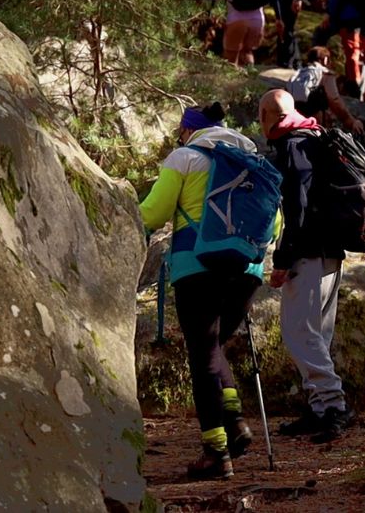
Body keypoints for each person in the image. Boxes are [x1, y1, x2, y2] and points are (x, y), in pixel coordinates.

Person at [138, 103, 265, 480]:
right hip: (247, 270)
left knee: (203, 356)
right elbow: (272, 222)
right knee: (213, 347)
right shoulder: (252, 161)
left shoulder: (185, 158)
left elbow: (153, 213)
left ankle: (216, 453)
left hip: (198, 267)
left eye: (180, 132)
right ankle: (235, 422)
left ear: (189, 130)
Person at [258, 88, 354, 443]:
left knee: (299, 332)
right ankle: (320, 408)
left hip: (309, 254)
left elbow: (297, 210)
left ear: (268, 117)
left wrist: (283, 259)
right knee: (317, 334)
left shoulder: (294, 146)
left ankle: (335, 406)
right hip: (332, 252)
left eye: (261, 116)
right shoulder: (316, 137)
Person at [288, 46, 365, 135]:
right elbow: (334, 100)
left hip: (296, 121)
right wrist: (351, 121)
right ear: (325, 60)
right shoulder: (325, 74)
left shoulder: (297, 74)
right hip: (316, 123)